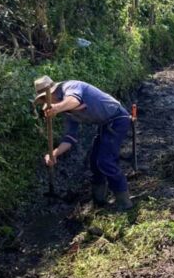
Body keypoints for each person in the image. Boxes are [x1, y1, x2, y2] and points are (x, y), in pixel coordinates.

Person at [34, 76, 133, 210]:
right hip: (105, 125)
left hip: (118, 119)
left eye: (46, 99)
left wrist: (56, 108)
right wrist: (54, 153)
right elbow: (70, 138)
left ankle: (124, 203)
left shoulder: (71, 87)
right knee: (94, 162)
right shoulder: (67, 112)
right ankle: (99, 201)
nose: (46, 102)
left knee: (105, 161)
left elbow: (74, 100)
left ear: (53, 92)